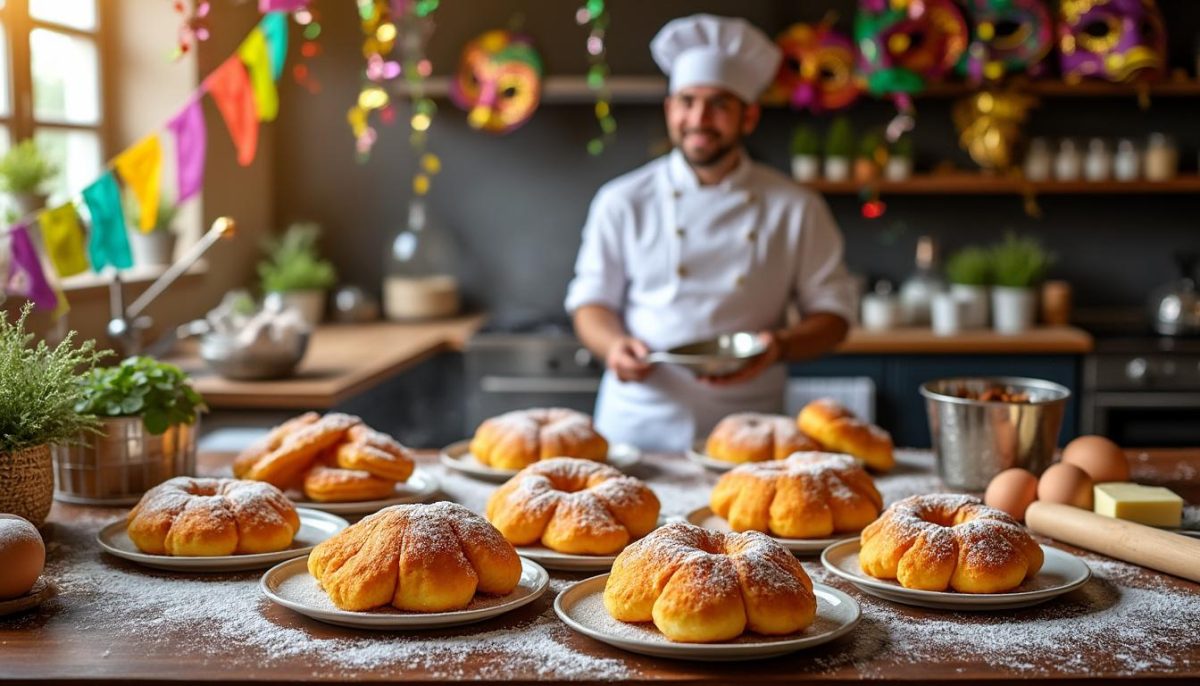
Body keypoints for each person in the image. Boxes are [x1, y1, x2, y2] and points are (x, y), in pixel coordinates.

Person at [564, 14, 857, 452]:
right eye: (687, 101)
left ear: (749, 116)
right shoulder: (622, 199)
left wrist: (779, 346)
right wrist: (613, 346)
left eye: (719, 104)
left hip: (748, 429)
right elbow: (591, 302)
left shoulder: (796, 207)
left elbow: (834, 318)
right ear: (670, 110)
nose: (699, 118)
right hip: (638, 424)